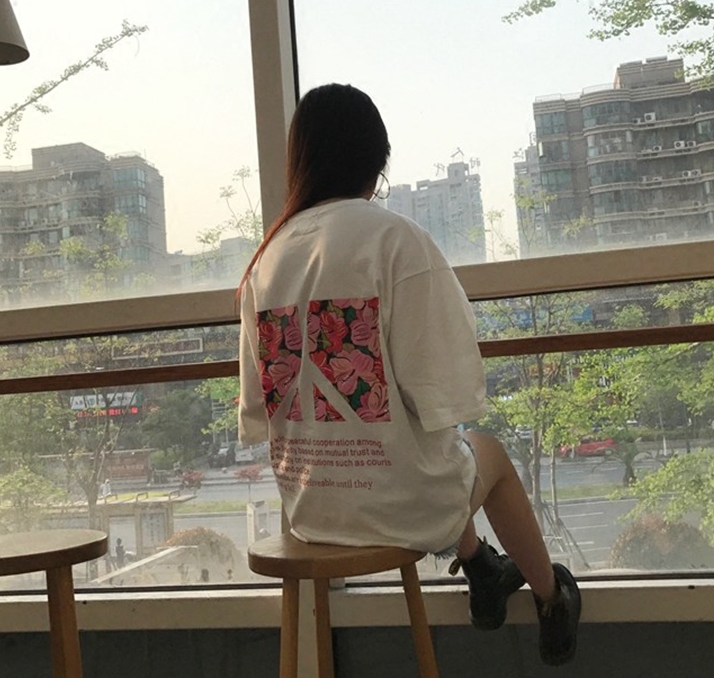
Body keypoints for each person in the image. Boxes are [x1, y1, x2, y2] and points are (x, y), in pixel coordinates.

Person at [238, 83, 581, 666]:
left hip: (310, 511)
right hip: (399, 507)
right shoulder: (395, 240)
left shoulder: (265, 261)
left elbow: (258, 409)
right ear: (377, 160)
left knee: (425, 452)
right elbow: (446, 393)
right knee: (483, 453)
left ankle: (483, 568)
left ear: (300, 161)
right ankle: (552, 598)